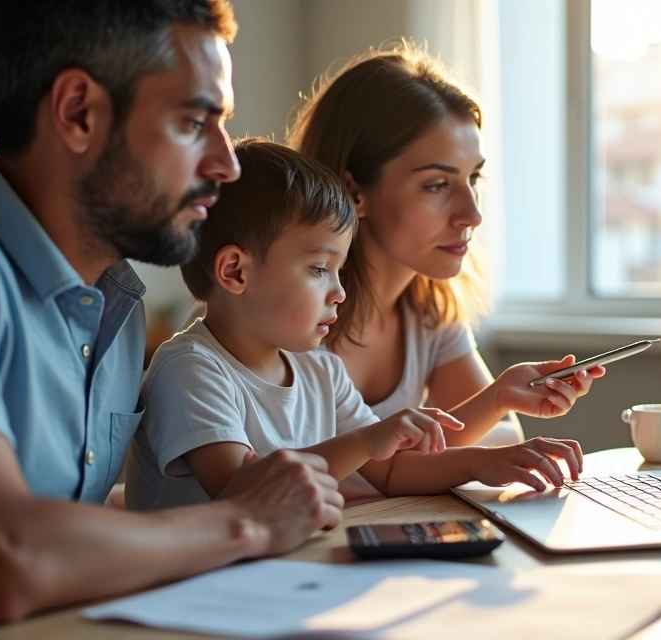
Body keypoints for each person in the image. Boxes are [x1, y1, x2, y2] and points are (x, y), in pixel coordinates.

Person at [0, 2, 343, 634]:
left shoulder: (118, 304)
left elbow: (64, 523)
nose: (226, 164)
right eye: (194, 121)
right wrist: (247, 519)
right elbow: (5, 557)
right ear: (78, 113)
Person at [124, 139, 584, 511]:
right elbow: (245, 489)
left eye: (340, 270)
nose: (339, 291)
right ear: (236, 272)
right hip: (187, 587)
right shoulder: (191, 369)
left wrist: (486, 464)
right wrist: (366, 440)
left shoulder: (320, 371)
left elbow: (391, 471)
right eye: (320, 269)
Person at [288, 43, 605, 456]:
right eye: (437, 185)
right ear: (353, 191)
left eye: (473, 178)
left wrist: (491, 406)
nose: (472, 215)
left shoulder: (428, 312)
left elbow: (504, 434)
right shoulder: (277, 311)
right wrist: (456, 440)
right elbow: (314, 471)